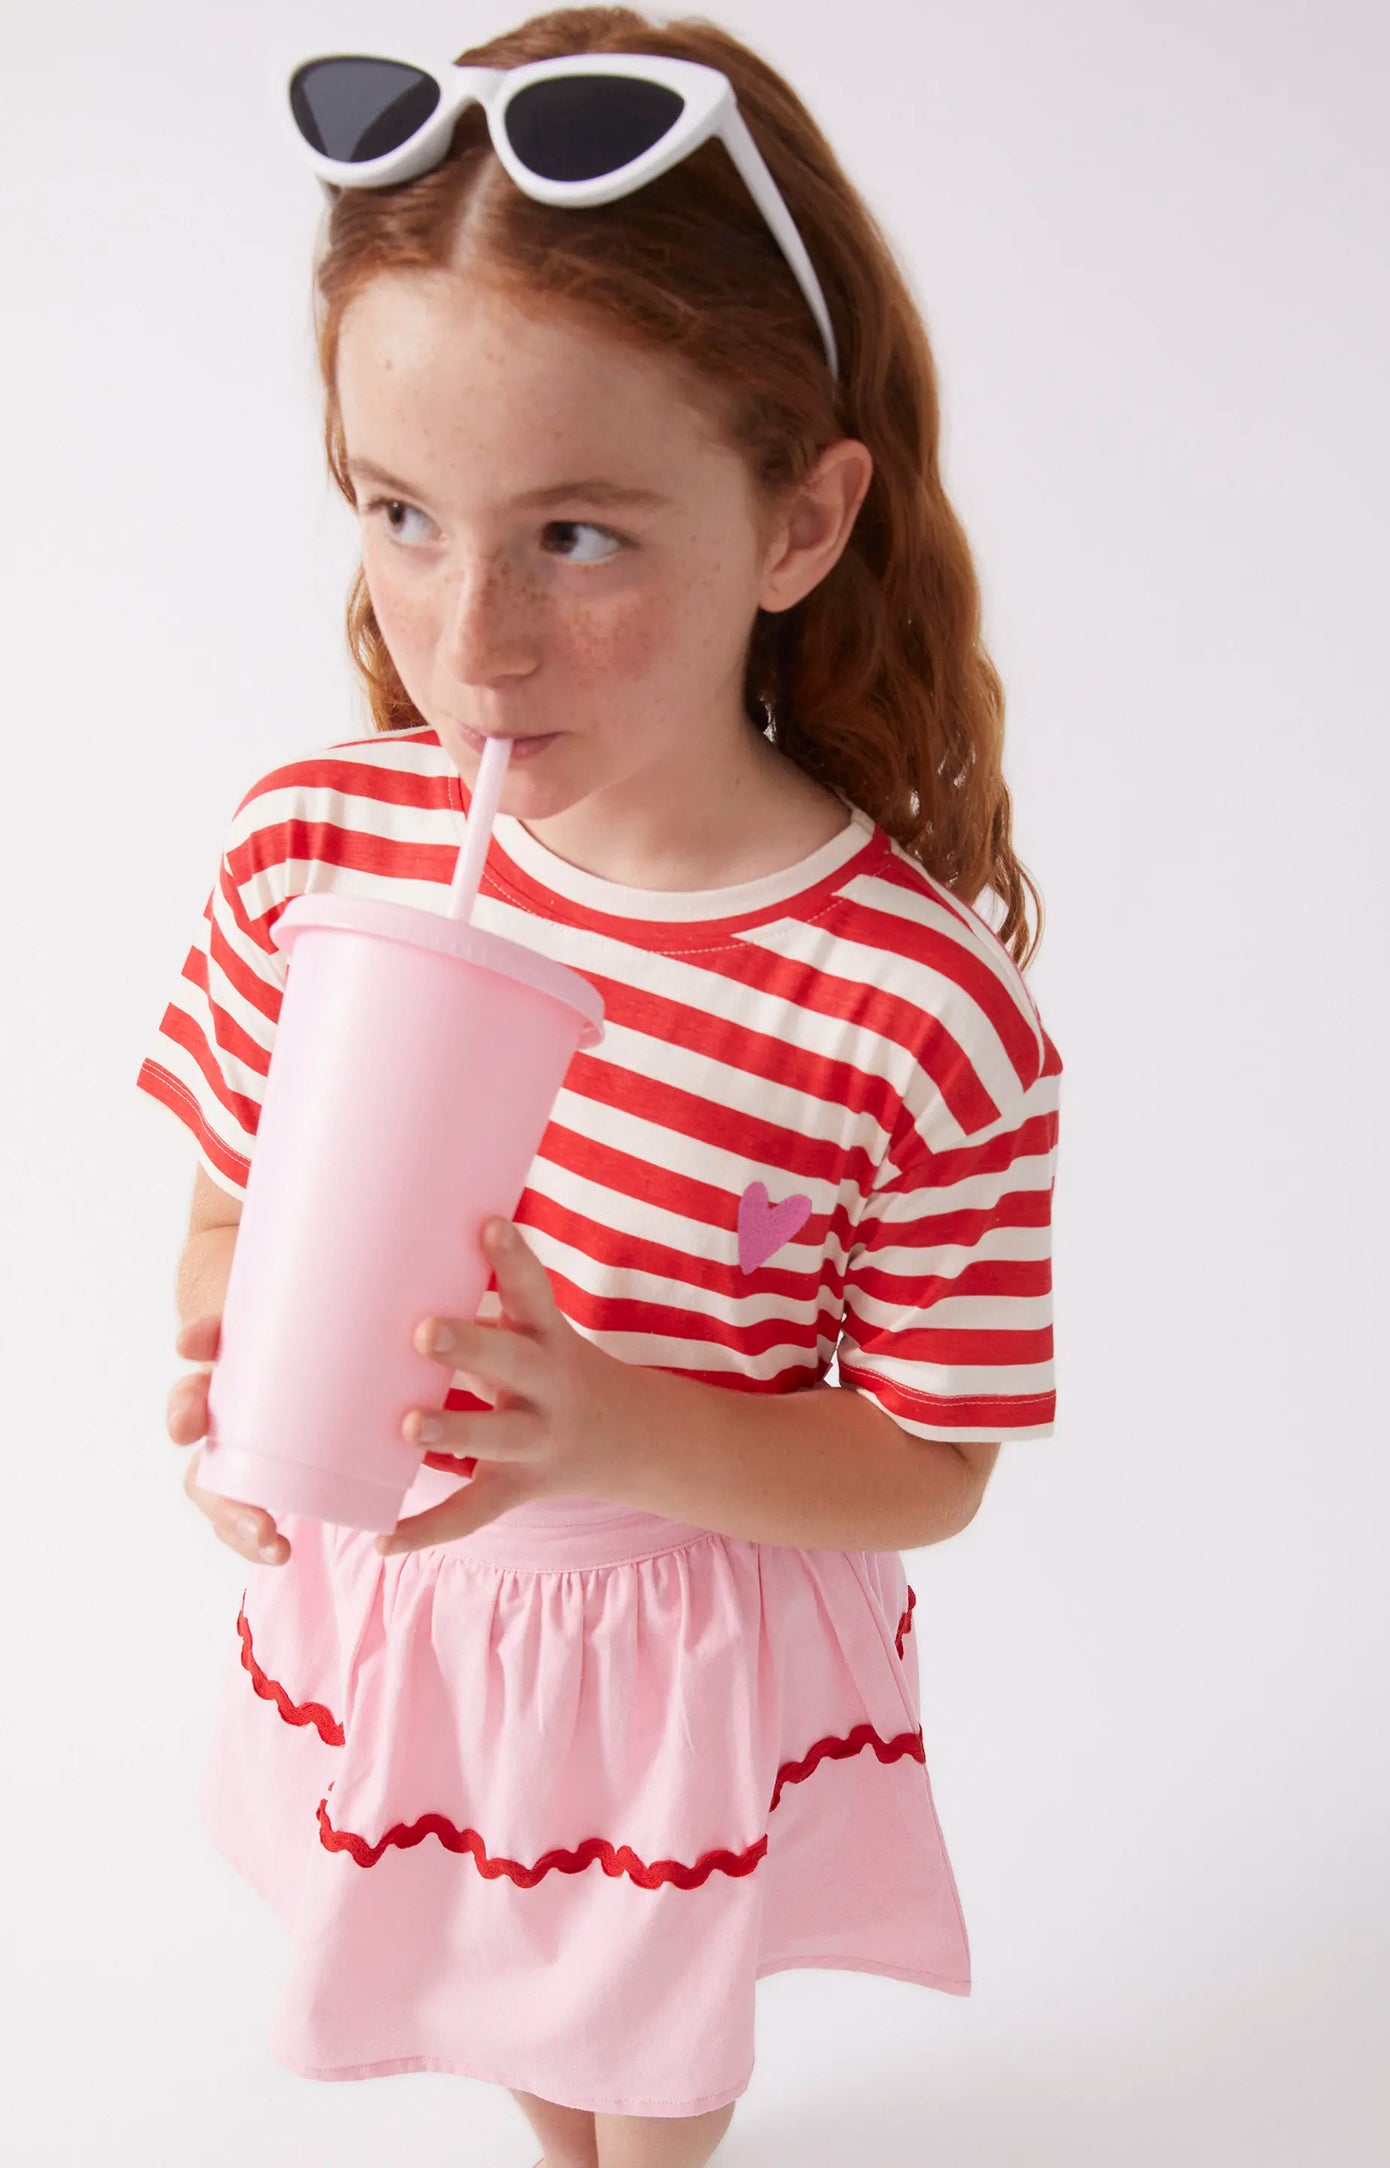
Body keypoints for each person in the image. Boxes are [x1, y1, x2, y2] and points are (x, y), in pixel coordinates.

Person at [134, 12, 1062, 2166]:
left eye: (577, 535)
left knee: (647, 2033)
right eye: (399, 511)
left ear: (802, 518)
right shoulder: (314, 857)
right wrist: (233, 1355)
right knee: (501, 1975)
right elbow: (221, 1211)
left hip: (664, 1666)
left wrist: (609, 1422)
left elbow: (930, 1461)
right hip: (419, 1615)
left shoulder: (903, 1010)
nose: (471, 640)